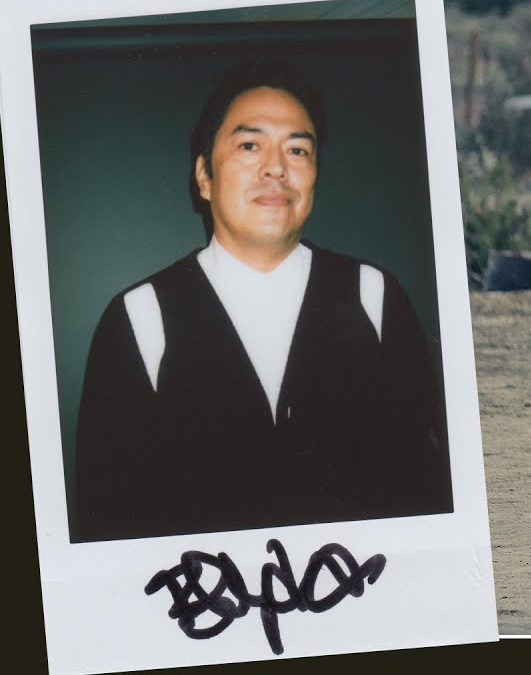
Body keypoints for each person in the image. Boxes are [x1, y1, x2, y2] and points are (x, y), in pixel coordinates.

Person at [74, 60, 452, 542]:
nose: (277, 168)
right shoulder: (140, 317)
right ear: (204, 176)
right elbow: (109, 523)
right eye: (250, 145)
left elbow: (427, 491)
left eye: (298, 150)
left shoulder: (374, 297)